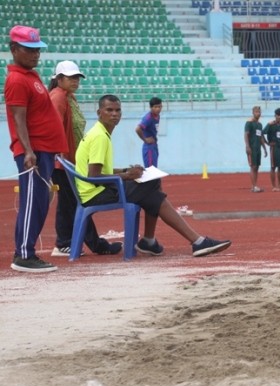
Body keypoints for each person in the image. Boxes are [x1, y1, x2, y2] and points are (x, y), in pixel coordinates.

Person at [75, 95, 231, 257]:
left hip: (95, 190)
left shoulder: (99, 132)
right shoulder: (100, 137)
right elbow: (93, 176)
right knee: (152, 187)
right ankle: (188, 241)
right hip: (95, 194)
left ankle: (156, 241)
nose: (114, 114)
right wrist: (127, 176)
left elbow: (100, 169)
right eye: (109, 110)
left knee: (152, 184)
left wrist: (125, 170)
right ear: (99, 112)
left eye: (117, 110)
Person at [5, 25, 67, 272]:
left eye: (37, 50)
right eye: (29, 50)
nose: (35, 54)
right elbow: (18, 118)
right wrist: (28, 150)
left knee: (40, 202)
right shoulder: (17, 79)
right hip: (33, 152)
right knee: (33, 202)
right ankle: (24, 255)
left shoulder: (32, 76)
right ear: (14, 49)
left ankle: (25, 251)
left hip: (43, 151)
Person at [48, 60, 122, 258]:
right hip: (62, 160)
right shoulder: (58, 98)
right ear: (59, 79)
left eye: (77, 77)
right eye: (70, 77)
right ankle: (66, 243)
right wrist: (59, 156)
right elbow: (52, 128)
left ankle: (91, 244)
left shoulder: (68, 97)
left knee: (73, 202)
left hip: (69, 158)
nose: (75, 81)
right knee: (69, 202)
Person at [244, 105, 268, 193]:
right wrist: (247, 146)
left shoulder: (259, 125)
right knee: (253, 166)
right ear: (253, 113)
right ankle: (253, 186)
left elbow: (261, 137)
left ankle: (255, 185)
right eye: (256, 112)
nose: (258, 113)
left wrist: (264, 148)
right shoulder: (249, 123)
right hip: (252, 148)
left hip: (258, 148)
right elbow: (246, 134)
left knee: (257, 167)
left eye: (259, 112)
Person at [135, 97, 162, 168]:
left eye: (160, 107)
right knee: (150, 170)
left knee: (155, 169)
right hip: (149, 147)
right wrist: (145, 139)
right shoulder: (148, 118)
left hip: (154, 145)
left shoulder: (157, 116)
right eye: (156, 107)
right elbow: (138, 129)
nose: (158, 109)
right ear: (150, 107)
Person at [263, 108, 280, 191]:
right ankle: (274, 186)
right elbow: (262, 133)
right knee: (273, 167)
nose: (279, 117)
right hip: (274, 147)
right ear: (275, 115)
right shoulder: (270, 124)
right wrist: (267, 143)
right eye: (278, 115)